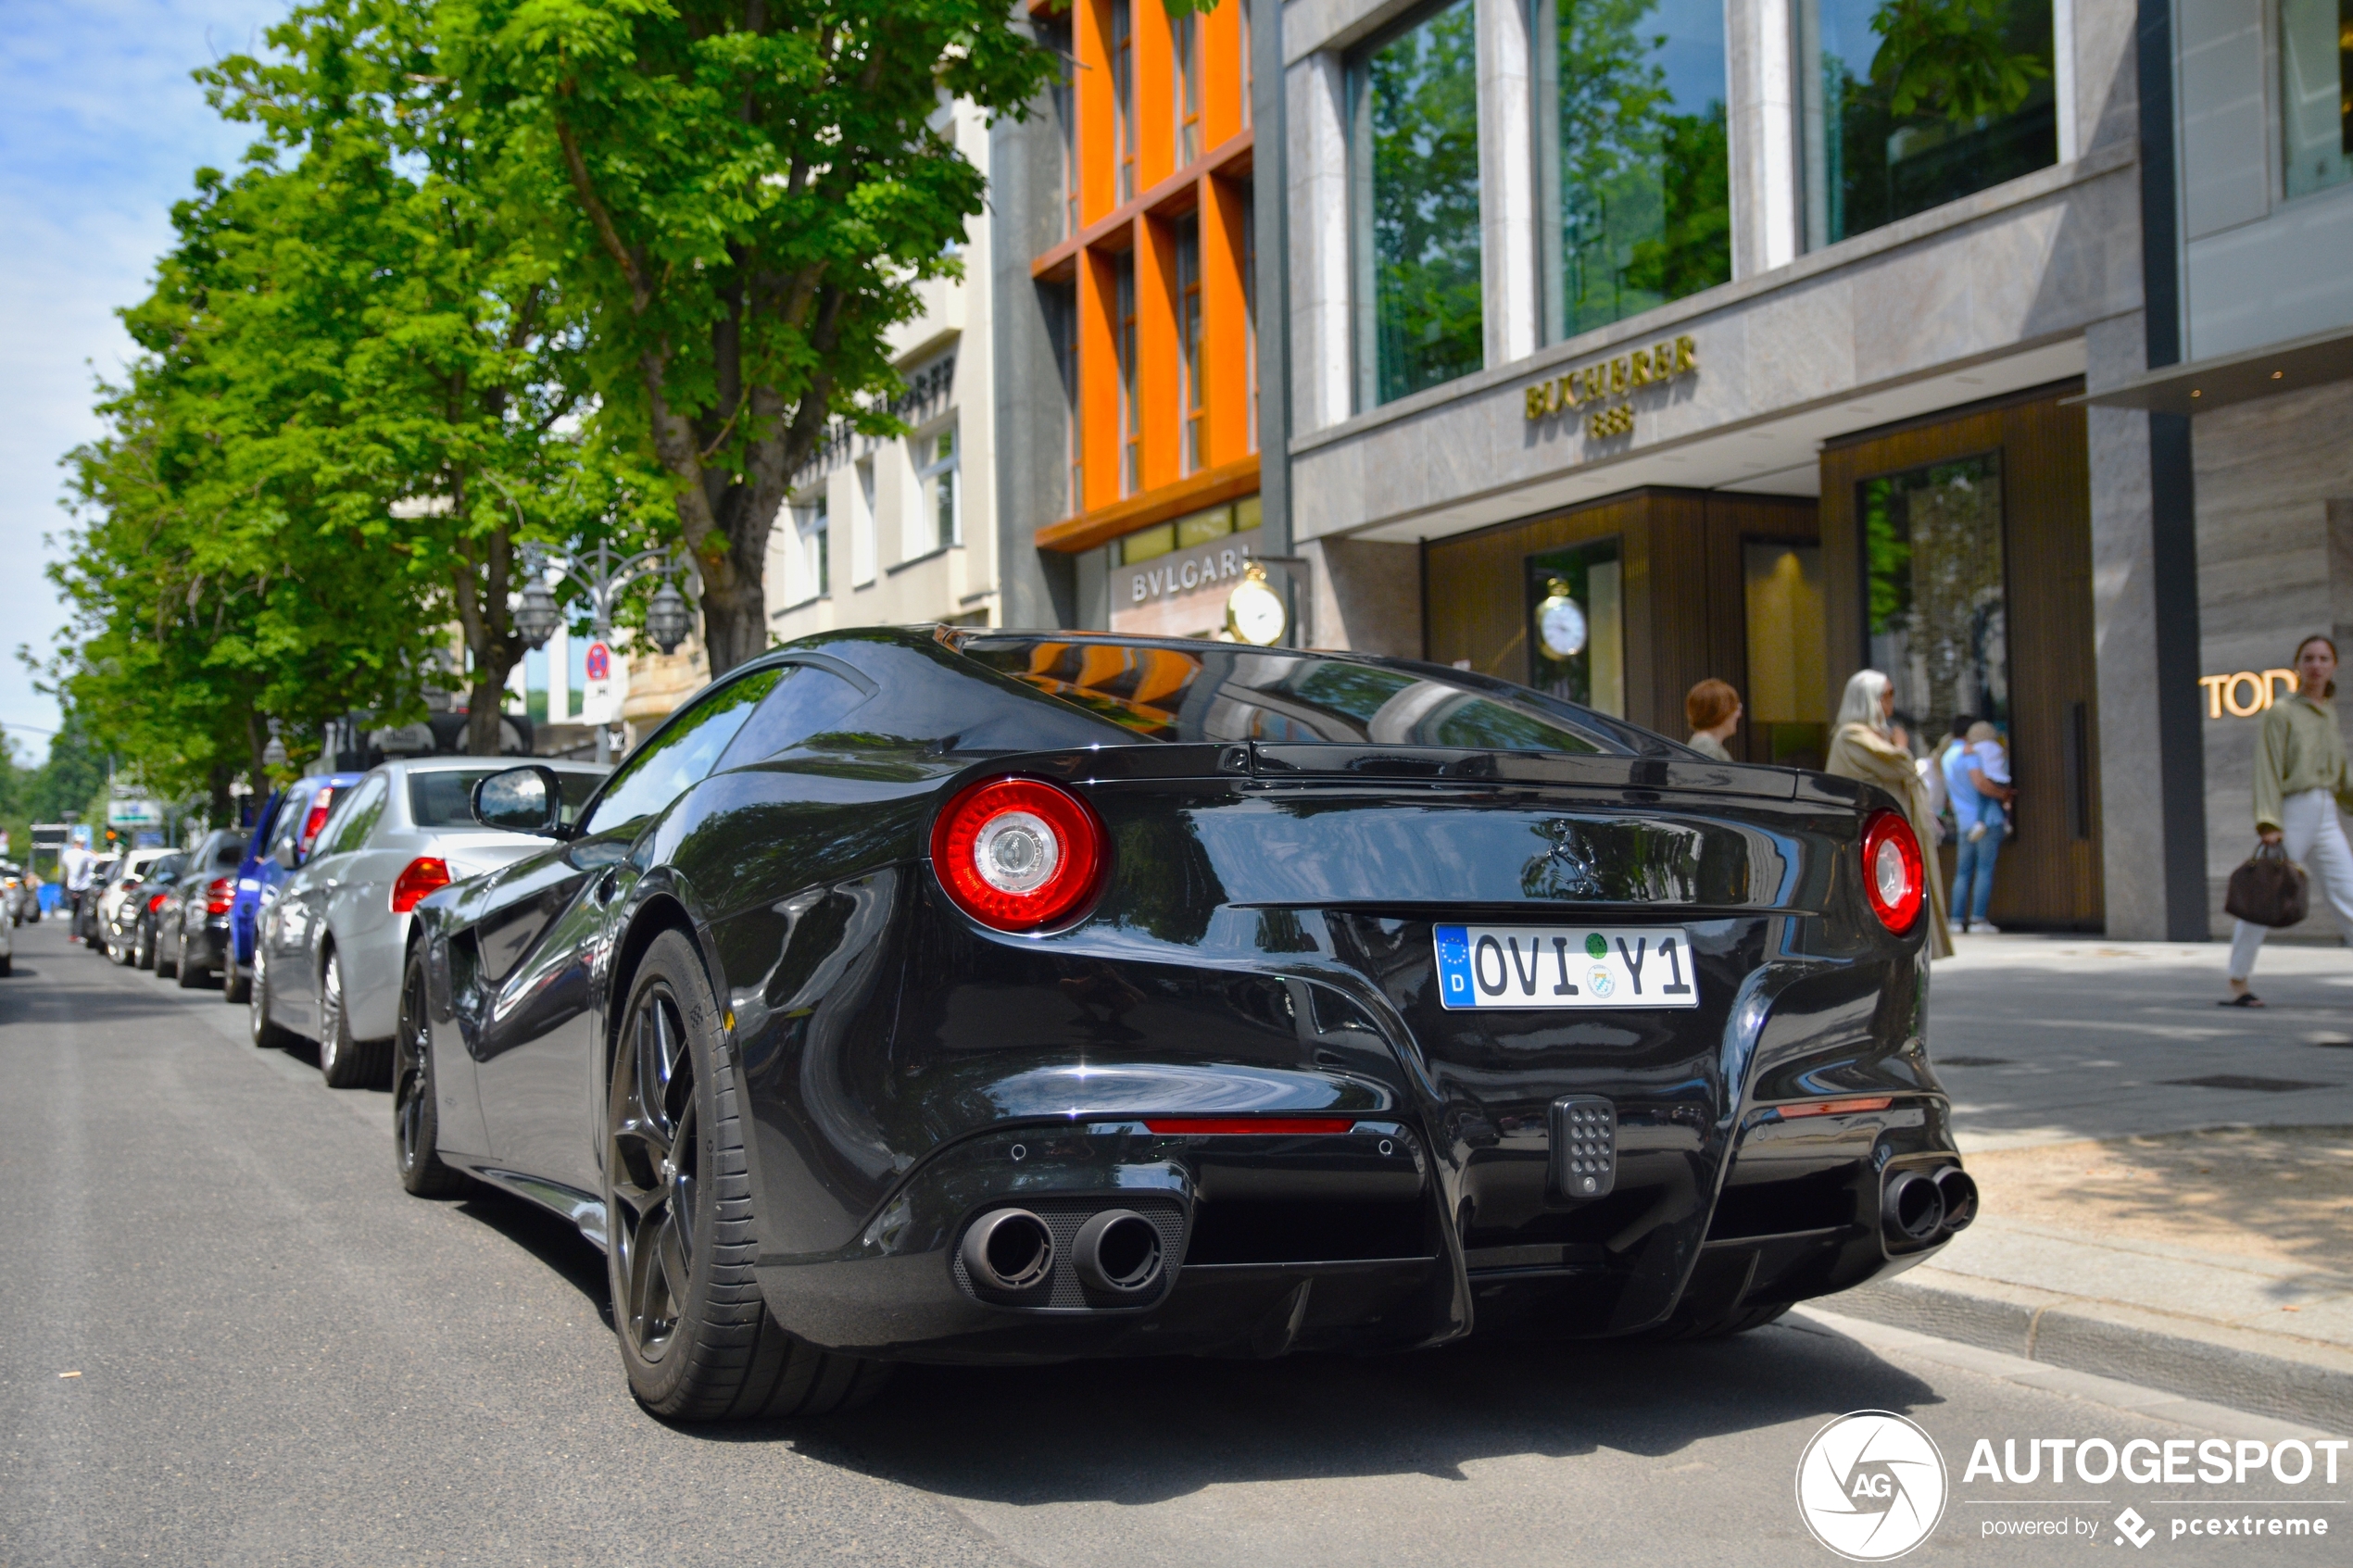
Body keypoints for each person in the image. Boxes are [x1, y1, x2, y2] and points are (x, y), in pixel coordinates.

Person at [2223, 634, 2353, 1006]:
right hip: (2293, 810)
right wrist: (2268, 821)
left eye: (2324, 658)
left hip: (2326, 811)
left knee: (2348, 895)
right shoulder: (2282, 711)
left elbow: (2339, 770)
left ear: (2334, 666)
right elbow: (2267, 766)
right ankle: (2238, 981)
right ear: (2297, 665)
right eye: (2308, 658)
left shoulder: (2328, 712)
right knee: (2264, 894)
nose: (2316, 665)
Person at [1827, 670, 1954, 959]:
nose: (1891, 701)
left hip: (1892, 835)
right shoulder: (1852, 737)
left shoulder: (1870, 736)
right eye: (1888, 694)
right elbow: (1899, 763)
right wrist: (1900, 747)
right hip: (1873, 839)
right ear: (1870, 699)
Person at [1944, 719, 2015, 935]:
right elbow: (1980, 783)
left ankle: (1956, 919)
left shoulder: (1947, 756)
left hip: (1963, 820)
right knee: (1984, 869)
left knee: (1962, 871)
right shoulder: (1971, 754)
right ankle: (1977, 919)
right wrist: (2003, 794)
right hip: (1986, 820)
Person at [1685, 679, 1742, 761]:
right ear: (1721, 711)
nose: (1739, 714)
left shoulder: (1704, 744)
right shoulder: (1707, 747)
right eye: (1735, 708)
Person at [61, 840, 95, 944]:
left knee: (74, 911)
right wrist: (93, 852)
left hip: (71, 886)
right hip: (83, 887)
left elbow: (65, 867)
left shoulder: (67, 854)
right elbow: (98, 860)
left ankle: (73, 934)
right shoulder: (85, 854)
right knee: (82, 911)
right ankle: (80, 934)